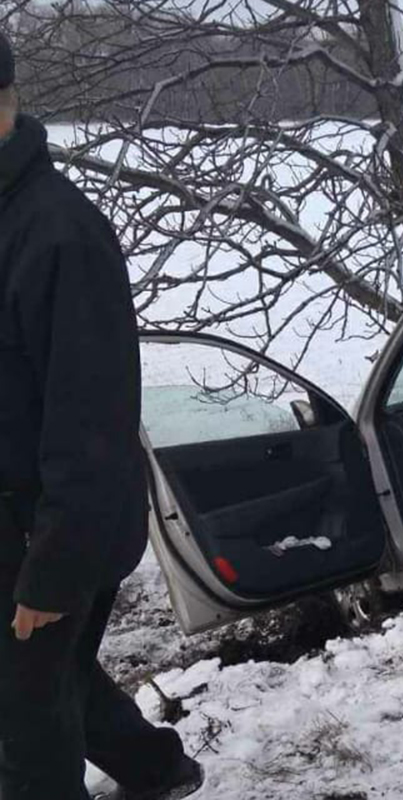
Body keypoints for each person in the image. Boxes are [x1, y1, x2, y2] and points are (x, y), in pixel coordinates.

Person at [0, 31, 204, 800]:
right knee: (47, 677)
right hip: (18, 526)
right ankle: (157, 769)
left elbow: (91, 429)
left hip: (47, 531)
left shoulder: (59, 235)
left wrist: (48, 577)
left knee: (27, 723)